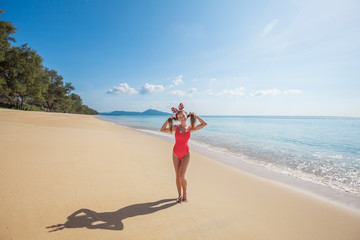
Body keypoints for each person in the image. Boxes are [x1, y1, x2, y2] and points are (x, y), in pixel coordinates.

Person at [160, 103, 207, 203]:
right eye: (179, 116)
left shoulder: (190, 128)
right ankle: (179, 195)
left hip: (186, 154)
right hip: (175, 153)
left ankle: (185, 194)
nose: (182, 117)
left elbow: (204, 124)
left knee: (182, 176)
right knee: (177, 176)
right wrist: (168, 120)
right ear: (178, 118)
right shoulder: (175, 128)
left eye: (183, 115)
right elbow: (162, 130)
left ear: (186, 116)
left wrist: (197, 116)